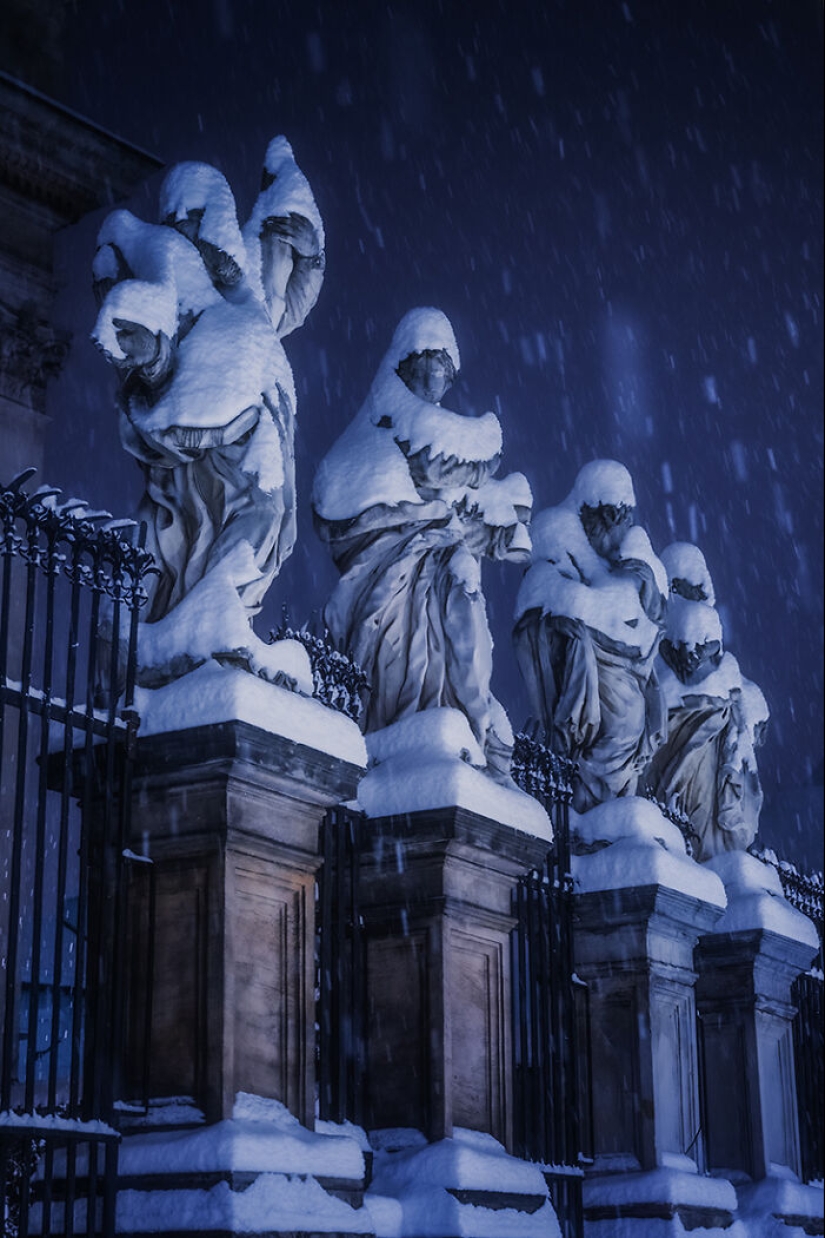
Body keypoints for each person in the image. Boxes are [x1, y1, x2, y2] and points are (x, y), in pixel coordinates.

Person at [91, 139, 324, 685]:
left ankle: (219, 615)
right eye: (180, 215)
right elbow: (154, 350)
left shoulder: (242, 286)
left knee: (268, 522)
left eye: (197, 213)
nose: (187, 223)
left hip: (258, 438)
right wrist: (147, 355)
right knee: (190, 536)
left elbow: (294, 287)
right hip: (196, 447)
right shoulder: (170, 270)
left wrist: (305, 245)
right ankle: (202, 618)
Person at [312, 307, 531, 779]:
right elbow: (443, 458)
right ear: (408, 362)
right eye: (431, 364)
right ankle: (410, 731)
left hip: (429, 566)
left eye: (445, 370)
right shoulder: (391, 411)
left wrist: (505, 514)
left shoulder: (412, 422)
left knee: (454, 636)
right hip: (391, 574)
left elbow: (464, 505)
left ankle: (455, 721)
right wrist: (491, 446)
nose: (438, 378)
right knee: (399, 659)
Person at [513, 459, 667, 812]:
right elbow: (538, 597)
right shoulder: (556, 533)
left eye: (624, 520)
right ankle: (586, 811)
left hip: (627, 669)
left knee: (629, 724)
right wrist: (576, 619)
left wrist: (645, 581)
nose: (616, 534)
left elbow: (658, 619)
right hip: (586, 663)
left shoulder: (631, 555)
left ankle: (604, 811)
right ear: (590, 512)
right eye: (610, 519)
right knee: (615, 727)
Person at [642, 542, 767, 860]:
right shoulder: (679, 626)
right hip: (695, 729)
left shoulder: (665, 629)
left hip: (696, 731)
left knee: (686, 813)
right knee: (698, 823)